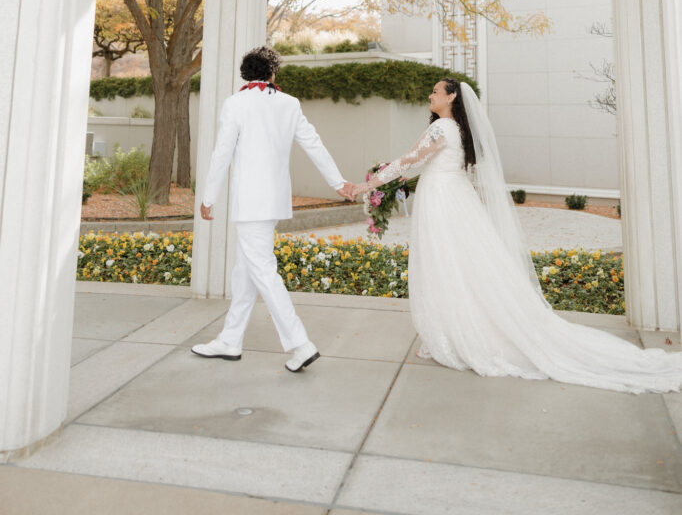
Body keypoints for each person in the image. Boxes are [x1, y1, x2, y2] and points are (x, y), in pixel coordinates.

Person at [349, 78, 682, 394]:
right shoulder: (455, 129)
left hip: (443, 201)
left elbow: (409, 160)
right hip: (452, 197)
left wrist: (368, 185)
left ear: (452, 97)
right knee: (461, 265)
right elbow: (417, 161)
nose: (430, 95)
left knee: (447, 264)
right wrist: (388, 177)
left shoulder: (442, 127)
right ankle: (453, 330)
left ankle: (458, 334)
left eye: (436, 91)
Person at [192, 46, 353, 372]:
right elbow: (314, 143)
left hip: (250, 204)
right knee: (245, 273)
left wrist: (208, 197)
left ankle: (300, 344)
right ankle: (230, 340)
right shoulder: (289, 103)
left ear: (245, 74)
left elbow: (222, 152)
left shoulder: (236, 103)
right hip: (274, 201)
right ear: (273, 72)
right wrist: (338, 182)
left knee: (263, 271)